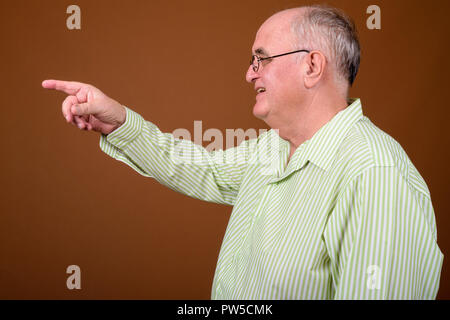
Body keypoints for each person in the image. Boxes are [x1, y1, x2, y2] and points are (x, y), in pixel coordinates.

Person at [42, 5, 443, 299]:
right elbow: (202, 169)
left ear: (312, 66)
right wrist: (119, 122)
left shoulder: (376, 174)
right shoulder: (274, 146)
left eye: (261, 59)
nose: (249, 73)